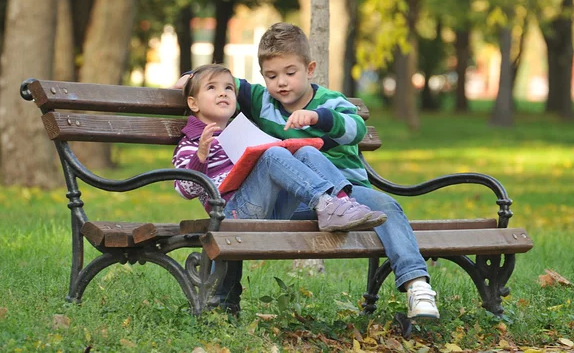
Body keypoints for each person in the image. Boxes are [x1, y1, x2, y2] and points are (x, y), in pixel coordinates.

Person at [174, 23, 440, 319]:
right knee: (298, 153)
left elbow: (357, 128)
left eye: (290, 73)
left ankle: (417, 286)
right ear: (263, 76)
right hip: (296, 199)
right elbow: (221, 83)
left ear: (310, 69)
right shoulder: (262, 100)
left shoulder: (330, 101)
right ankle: (329, 203)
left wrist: (319, 117)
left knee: (385, 205)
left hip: (348, 194)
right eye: (272, 76)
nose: (281, 83)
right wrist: (188, 77)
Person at [172, 64, 387, 313]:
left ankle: (339, 202)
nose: (223, 93)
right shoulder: (191, 140)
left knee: (305, 149)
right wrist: (201, 154)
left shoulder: (241, 131)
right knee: (272, 154)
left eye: (229, 88)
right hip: (232, 213)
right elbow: (184, 189)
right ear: (193, 103)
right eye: (212, 88)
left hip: (268, 208)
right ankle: (324, 203)